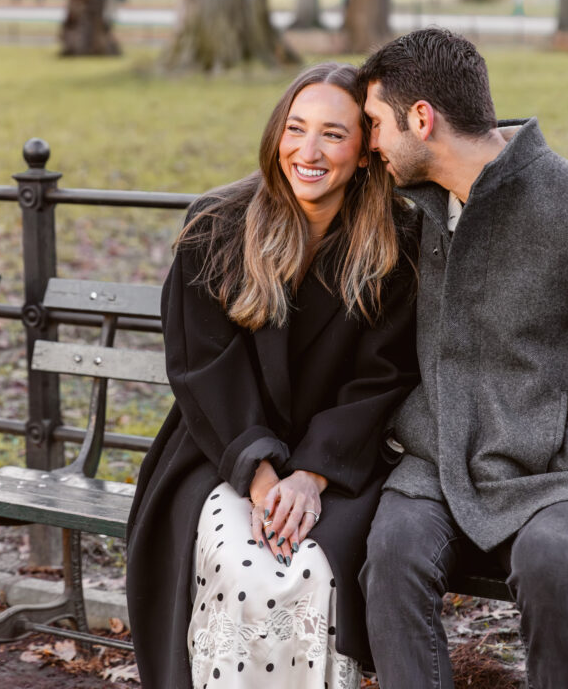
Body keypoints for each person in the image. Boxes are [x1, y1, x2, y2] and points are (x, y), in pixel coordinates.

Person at [358, 27, 568, 689]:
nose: (370, 145)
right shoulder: (416, 217)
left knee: (551, 561)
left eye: (374, 124)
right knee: (390, 557)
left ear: (420, 119)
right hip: (441, 461)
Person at [126, 62, 419, 689]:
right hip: (221, 447)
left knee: (306, 566)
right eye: (295, 128)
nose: (308, 152)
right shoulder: (217, 227)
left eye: (334, 135)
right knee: (241, 559)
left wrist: (311, 476)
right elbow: (204, 370)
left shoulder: (394, 244)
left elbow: (381, 377)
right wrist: (261, 477)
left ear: (366, 152)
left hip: (338, 459)